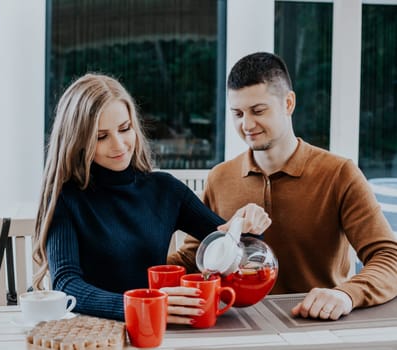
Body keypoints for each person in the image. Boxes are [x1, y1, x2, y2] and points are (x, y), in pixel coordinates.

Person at [168, 52, 397, 321]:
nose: (247, 124)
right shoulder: (220, 177)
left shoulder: (340, 174)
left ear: (288, 103)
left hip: (318, 322)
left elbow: (389, 257)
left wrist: (346, 294)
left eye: (258, 111)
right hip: (234, 323)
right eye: (237, 113)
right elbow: (193, 258)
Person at [32, 73, 271, 323]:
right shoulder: (65, 198)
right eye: (100, 137)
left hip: (157, 330)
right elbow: (67, 285)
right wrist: (142, 306)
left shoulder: (165, 190)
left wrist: (247, 225)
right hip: (94, 333)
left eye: (125, 129)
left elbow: (233, 245)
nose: (119, 145)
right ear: (77, 141)